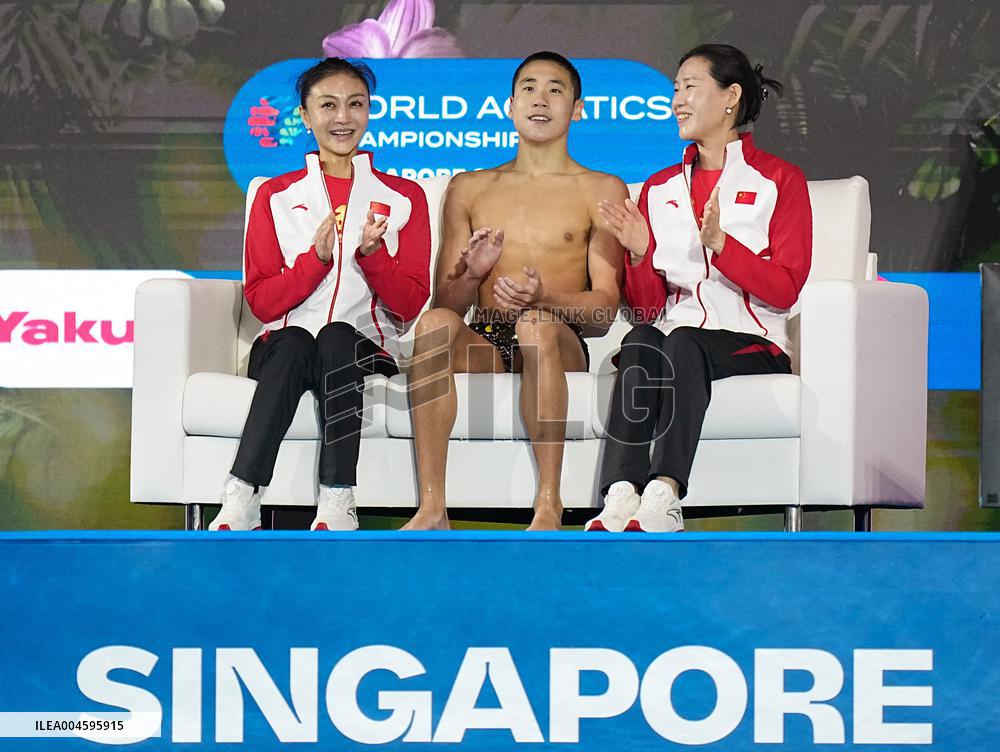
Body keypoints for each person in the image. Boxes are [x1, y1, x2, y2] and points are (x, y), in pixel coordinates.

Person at [586, 43, 812, 533]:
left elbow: (786, 289)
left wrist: (723, 246)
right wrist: (641, 252)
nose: (678, 100)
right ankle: (621, 493)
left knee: (683, 341)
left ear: (731, 97)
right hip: (675, 336)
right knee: (642, 339)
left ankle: (665, 491)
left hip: (754, 342)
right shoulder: (659, 188)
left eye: (690, 87)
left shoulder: (780, 181)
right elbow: (647, 308)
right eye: (675, 89)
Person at [401, 51, 628, 531]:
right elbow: (447, 303)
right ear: (509, 105)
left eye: (555, 89)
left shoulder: (602, 188)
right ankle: (432, 506)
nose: (539, 99)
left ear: (578, 108)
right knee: (435, 325)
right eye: (528, 87)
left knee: (535, 325)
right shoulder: (469, 187)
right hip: (486, 335)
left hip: (557, 336)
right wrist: (470, 274)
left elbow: (605, 311)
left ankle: (549, 503)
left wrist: (542, 298)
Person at [210, 58, 431, 531]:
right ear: (306, 117)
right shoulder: (275, 194)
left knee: (334, 335)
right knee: (291, 343)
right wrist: (316, 259)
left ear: (370, 112)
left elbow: (410, 306)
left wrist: (372, 255)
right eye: (327, 105)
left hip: (361, 347)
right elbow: (264, 303)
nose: (343, 117)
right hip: (286, 348)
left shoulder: (404, 196)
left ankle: (337, 498)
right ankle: (241, 494)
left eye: (356, 104)